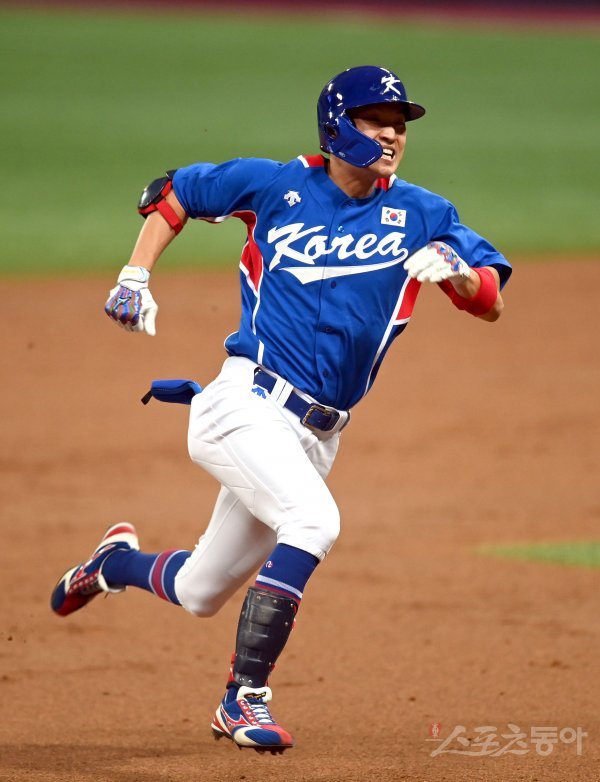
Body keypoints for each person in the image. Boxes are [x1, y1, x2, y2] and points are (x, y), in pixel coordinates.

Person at [50, 65, 512, 753]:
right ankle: (243, 699)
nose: (392, 135)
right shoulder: (276, 186)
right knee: (314, 521)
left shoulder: (424, 214)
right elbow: (174, 193)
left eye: (400, 124)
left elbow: (491, 301)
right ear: (337, 126)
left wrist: (463, 275)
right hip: (243, 405)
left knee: (201, 590)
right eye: (376, 120)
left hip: (316, 437)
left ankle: (112, 563)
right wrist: (134, 275)